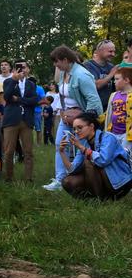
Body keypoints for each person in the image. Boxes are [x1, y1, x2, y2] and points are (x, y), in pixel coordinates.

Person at [44, 45, 103, 192]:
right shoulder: (64, 73)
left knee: (80, 150)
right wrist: (64, 112)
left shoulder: (82, 75)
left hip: (82, 119)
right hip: (66, 118)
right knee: (60, 145)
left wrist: (83, 119)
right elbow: (63, 96)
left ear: (65, 60)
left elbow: (93, 100)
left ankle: (82, 181)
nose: (55, 65)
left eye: (56, 61)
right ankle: (60, 180)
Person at [59, 112, 131, 200]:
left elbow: (103, 160)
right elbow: (72, 169)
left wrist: (82, 148)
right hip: (103, 181)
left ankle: (99, 200)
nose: (76, 132)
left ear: (91, 126)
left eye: (80, 128)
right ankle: (92, 201)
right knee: (67, 182)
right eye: (74, 129)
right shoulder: (84, 142)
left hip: (120, 182)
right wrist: (62, 152)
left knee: (88, 161)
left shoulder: (108, 137)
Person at [0, 60, 38, 182]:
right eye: (19, 67)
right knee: (9, 151)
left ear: (28, 70)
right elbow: (6, 97)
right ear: (14, 70)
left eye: (24, 67)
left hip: (26, 120)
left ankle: (28, 178)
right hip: (11, 120)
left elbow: (33, 101)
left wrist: (18, 99)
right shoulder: (8, 81)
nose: (22, 70)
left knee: (28, 151)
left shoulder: (31, 84)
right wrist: (14, 80)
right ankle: (9, 177)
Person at [104, 67, 131, 154]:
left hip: (127, 134)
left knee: (125, 157)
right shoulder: (113, 95)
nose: (114, 81)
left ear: (126, 80)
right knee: (111, 156)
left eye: (117, 79)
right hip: (113, 132)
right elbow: (109, 113)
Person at [84, 39, 117, 111]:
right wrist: (111, 74)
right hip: (94, 109)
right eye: (110, 51)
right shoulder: (88, 66)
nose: (113, 54)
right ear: (99, 51)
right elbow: (94, 85)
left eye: (114, 52)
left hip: (109, 108)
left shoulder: (111, 66)